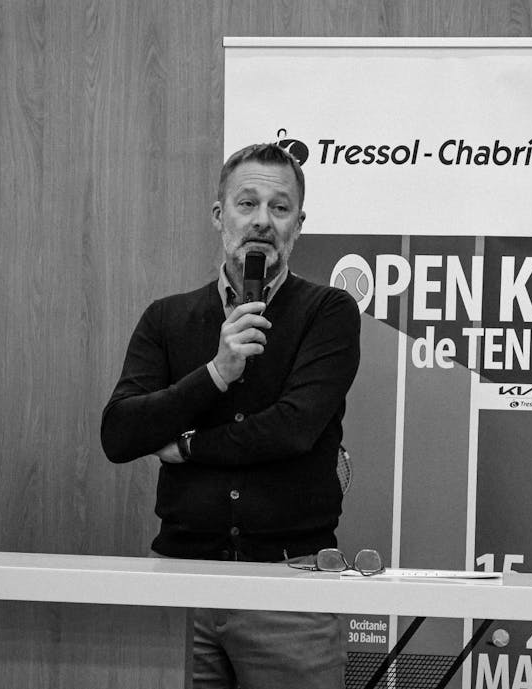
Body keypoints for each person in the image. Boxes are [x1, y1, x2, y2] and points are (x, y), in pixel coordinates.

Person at [101, 142, 361, 689]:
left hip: (290, 588)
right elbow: (120, 433)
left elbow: (293, 429)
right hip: (180, 582)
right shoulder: (167, 318)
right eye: (247, 204)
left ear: (298, 225)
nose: (262, 220)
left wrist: (189, 445)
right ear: (220, 216)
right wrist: (216, 373)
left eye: (280, 207)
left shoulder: (329, 312)